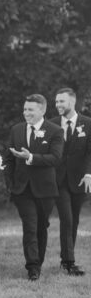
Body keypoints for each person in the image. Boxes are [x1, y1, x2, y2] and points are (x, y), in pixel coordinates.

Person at [4, 94, 63, 281]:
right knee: (30, 226)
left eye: (30, 109)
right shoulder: (17, 129)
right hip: (22, 189)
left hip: (45, 189)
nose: (26, 113)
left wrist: (30, 157)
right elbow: (9, 159)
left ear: (42, 110)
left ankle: (38, 262)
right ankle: (32, 267)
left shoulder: (55, 131)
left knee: (41, 226)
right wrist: (10, 184)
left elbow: (55, 158)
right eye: (24, 109)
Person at [50, 88, 91, 276]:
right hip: (58, 180)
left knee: (73, 220)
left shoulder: (88, 124)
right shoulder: (51, 124)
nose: (58, 105)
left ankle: (66, 258)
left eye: (62, 102)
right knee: (66, 219)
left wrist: (89, 174)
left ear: (72, 102)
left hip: (81, 180)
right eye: (57, 101)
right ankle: (69, 262)